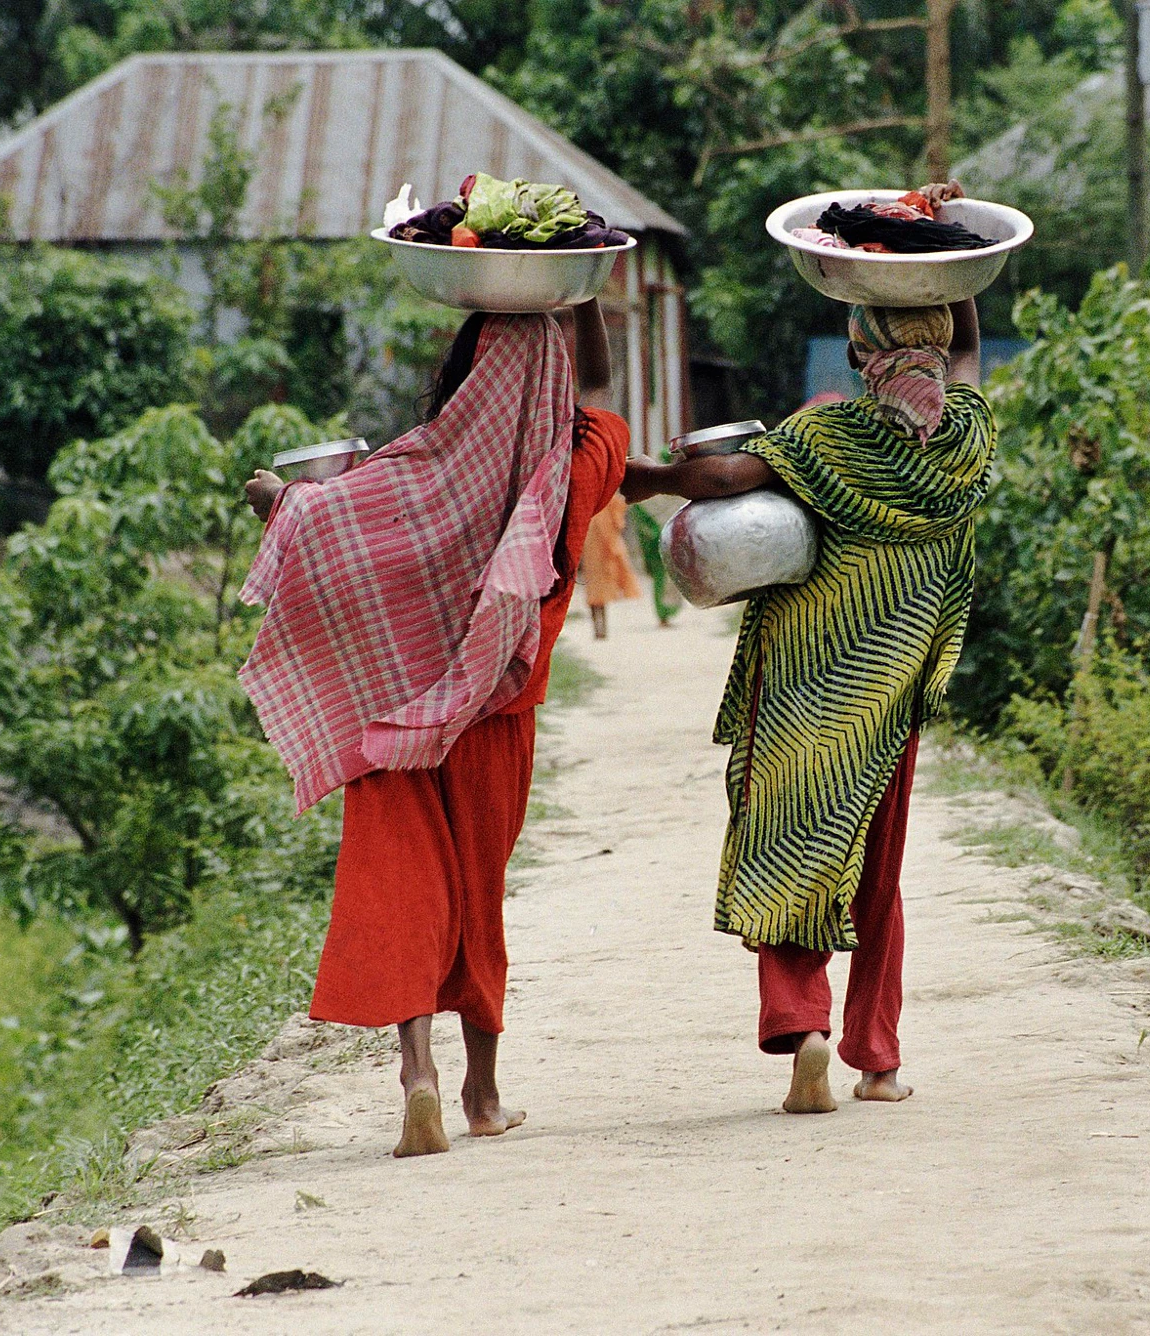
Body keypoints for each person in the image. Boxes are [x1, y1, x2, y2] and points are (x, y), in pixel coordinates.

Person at [622, 204, 993, 1113]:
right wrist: (947, 271)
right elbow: (967, 356)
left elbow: (722, 479)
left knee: (790, 839)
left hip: (802, 684)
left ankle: (807, 1031)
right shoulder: (971, 436)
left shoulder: (831, 436)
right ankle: (882, 1061)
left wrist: (653, 477)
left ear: (863, 351)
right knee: (876, 868)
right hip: (897, 688)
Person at [239, 300, 625, 1156]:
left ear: (460, 372)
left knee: (403, 887)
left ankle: (418, 1078)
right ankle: (482, 1095)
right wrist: (581, 290)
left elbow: (316, 522)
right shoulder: (575, 465)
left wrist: (275, 495)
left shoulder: (405, 473)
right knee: (477, 899)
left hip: (393, 714)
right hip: (496, 725)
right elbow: (600, 385)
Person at [579, 492, 642, 638]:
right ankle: (600, 628)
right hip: (598, 549)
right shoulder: (606, 500)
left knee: (595, 592)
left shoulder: (599, 500)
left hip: (597, 549)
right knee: (596, 592)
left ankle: (599, 628)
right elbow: (619, 520)